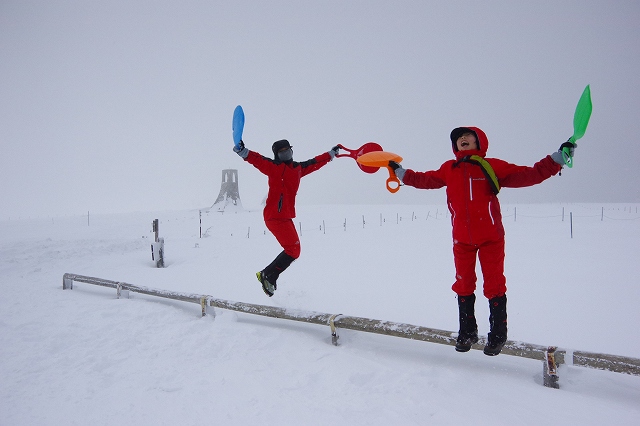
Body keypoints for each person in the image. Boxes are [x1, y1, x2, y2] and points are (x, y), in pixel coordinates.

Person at [389, 127, 574, 355]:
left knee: (494, 284)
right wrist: (400, 172)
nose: (462, 139)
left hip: (490, 238)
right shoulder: (450, 169)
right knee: (463, 284)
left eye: (468, 136)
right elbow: (424, 179)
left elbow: (530, 174)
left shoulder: (492, 165)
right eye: (458, 138)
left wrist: (557, 159)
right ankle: (467, 331)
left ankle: (498, 335)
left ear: (479, 142)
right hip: (461, 240)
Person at [233, 139, 340, 297]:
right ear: (277, 155)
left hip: (286, 216)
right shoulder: (273, 167)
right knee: (293, 249)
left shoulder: (297, 169)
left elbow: (314, 162)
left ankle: (269, 275)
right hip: (274, 216)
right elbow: (258, 160)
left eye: (288, 150)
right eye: (281, 152)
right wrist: (243, 152)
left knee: (295, 250)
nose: (286, 154)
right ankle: (267, 275)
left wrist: (330, 154)